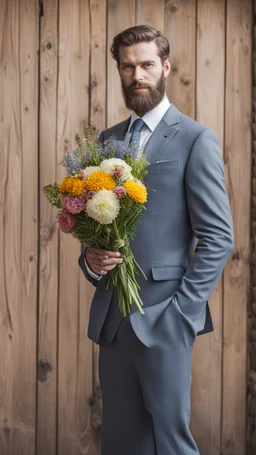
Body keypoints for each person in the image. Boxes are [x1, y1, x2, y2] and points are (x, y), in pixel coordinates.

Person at [78, 25, 234, 455]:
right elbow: (96, 229)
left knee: (171, 442)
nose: (137, 75)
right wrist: (91, 260)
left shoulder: (195, 139)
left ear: (165, 67)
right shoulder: (108, 142)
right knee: (123, 443)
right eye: (127, 67)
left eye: (146, 65)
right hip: (113, 320)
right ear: (119, 72)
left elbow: (219, 236)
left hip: (167, 318)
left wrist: (182, 314)